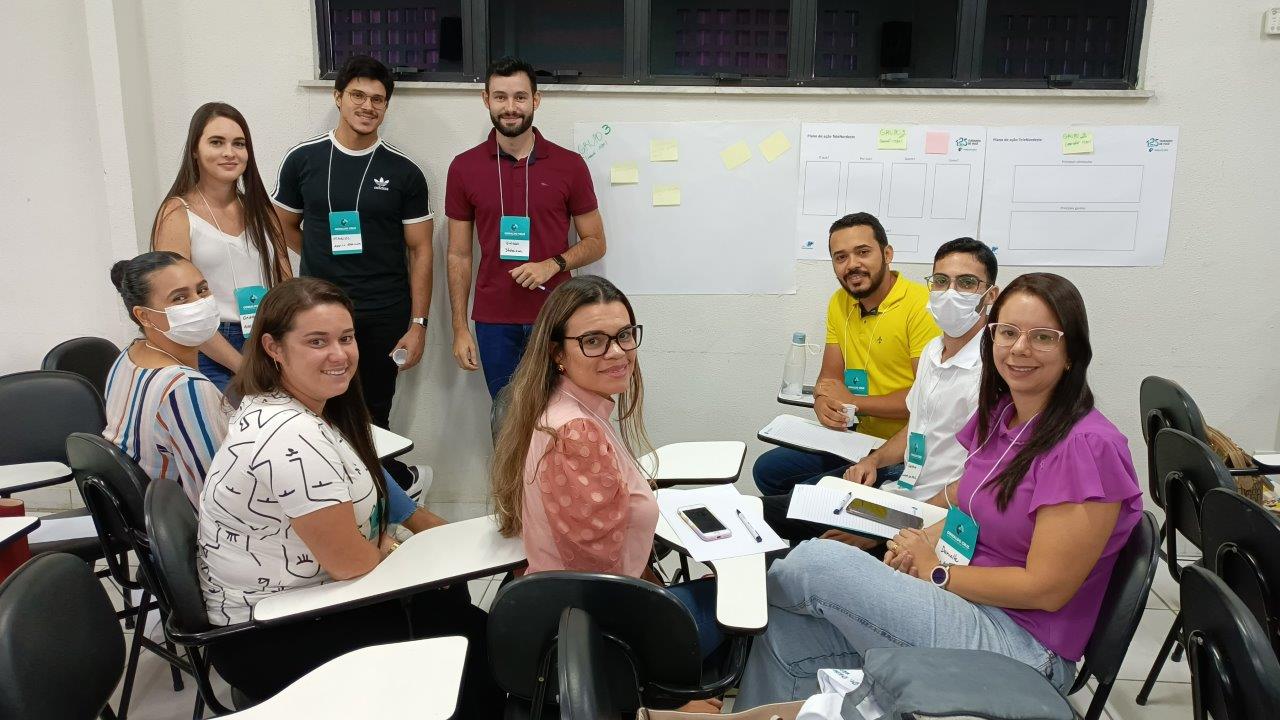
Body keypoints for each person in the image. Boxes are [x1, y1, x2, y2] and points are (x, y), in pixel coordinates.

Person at [735, 273, 1143, 708]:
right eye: (1008, 332)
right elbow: (969, 503)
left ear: (1071, 352)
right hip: (965, 601)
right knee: (786, 633)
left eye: (1042, 337)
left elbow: (1047, 589)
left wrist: (937, 571)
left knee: (818, 562)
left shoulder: (1087, 446)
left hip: (1021, 646)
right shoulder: (1004, 416)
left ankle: (722, 609)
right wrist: (918, 542)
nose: (1019, 348)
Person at [198, 277, 500, 714]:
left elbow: (366, 480)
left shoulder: (295, 404)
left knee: (451, 604)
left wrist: (400, 536)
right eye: (317, 342)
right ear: (273, 347)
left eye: (346, 338)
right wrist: (388, 547)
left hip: (300, 603)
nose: (339, 355)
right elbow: (352, 564)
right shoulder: (292, 439)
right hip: (270, 635)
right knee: (467, 641)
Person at [489, 276, 723, 702]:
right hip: (607, 640)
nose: (617, 352)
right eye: (593, 341)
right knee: (763, 594)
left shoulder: (566, 408)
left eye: (624, 335)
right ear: (557, 353)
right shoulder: (576, 432)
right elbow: (602, 583)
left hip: (582, 619)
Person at [762, 238, 999, 546]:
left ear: (990, 295)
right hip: (899, 492)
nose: (950, 293)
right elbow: (917, 429)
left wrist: (882, 534)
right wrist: (873, 462)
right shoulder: (933, 351)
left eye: (966, 283)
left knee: (799, 551)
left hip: (926, 520)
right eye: (941, 281)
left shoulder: (994, 371)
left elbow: (978, 481)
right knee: (760, 511)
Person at [272, 55, 432, 499]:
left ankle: (380, 500)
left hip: (384, 313)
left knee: (375, 412)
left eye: (378, 99)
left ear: (386, 107)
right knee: (317, 408)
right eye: (358, 95)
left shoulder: (404, 172)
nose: (367, 106)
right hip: (317, 314)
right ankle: (331, 498)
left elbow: (421, 250)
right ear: (338, 97)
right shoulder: (303, 160)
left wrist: (418, 324)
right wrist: (319, 256)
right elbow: (281, 226)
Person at [446, 57, 606, 400]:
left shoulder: (570, 165)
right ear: (486, 100)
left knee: (558, 415)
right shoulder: (463, 168)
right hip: (493, 320)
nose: (510, 107)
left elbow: (595, 241)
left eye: (519, 97)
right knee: (505, 416)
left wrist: (553, 264)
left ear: (536, 100)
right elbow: (458, 254)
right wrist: (459, 327)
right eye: (500, 97)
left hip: (555, 316)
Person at [753, 212, 939, 497]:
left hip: (905, 449)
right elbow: (829, 379)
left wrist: (854, 402)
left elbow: (927, 401)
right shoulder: (840, 302)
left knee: (809, 495)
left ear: (887, 254)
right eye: (841, 257)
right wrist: (822, 402)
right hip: (856, 438)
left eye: (862, 252)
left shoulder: (921, 305)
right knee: (767, 471)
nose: (852, 265)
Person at [151, 102, 291, 393]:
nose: (230, 152)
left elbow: (285, 283)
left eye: (238, 143)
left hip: (265, 339)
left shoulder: (261, 210)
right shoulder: (177, 213)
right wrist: (243, 366)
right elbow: (180, 309)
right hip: (209, 347)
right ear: (195, 150)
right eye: (216, 142)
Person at [103, 252, 228, 505]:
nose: (199, 303)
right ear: (144, 316)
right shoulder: (186, 388)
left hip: (147, 510)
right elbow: (217, 492)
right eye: (179, 298)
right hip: (185, 518)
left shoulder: (129, 356)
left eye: (202, 290)